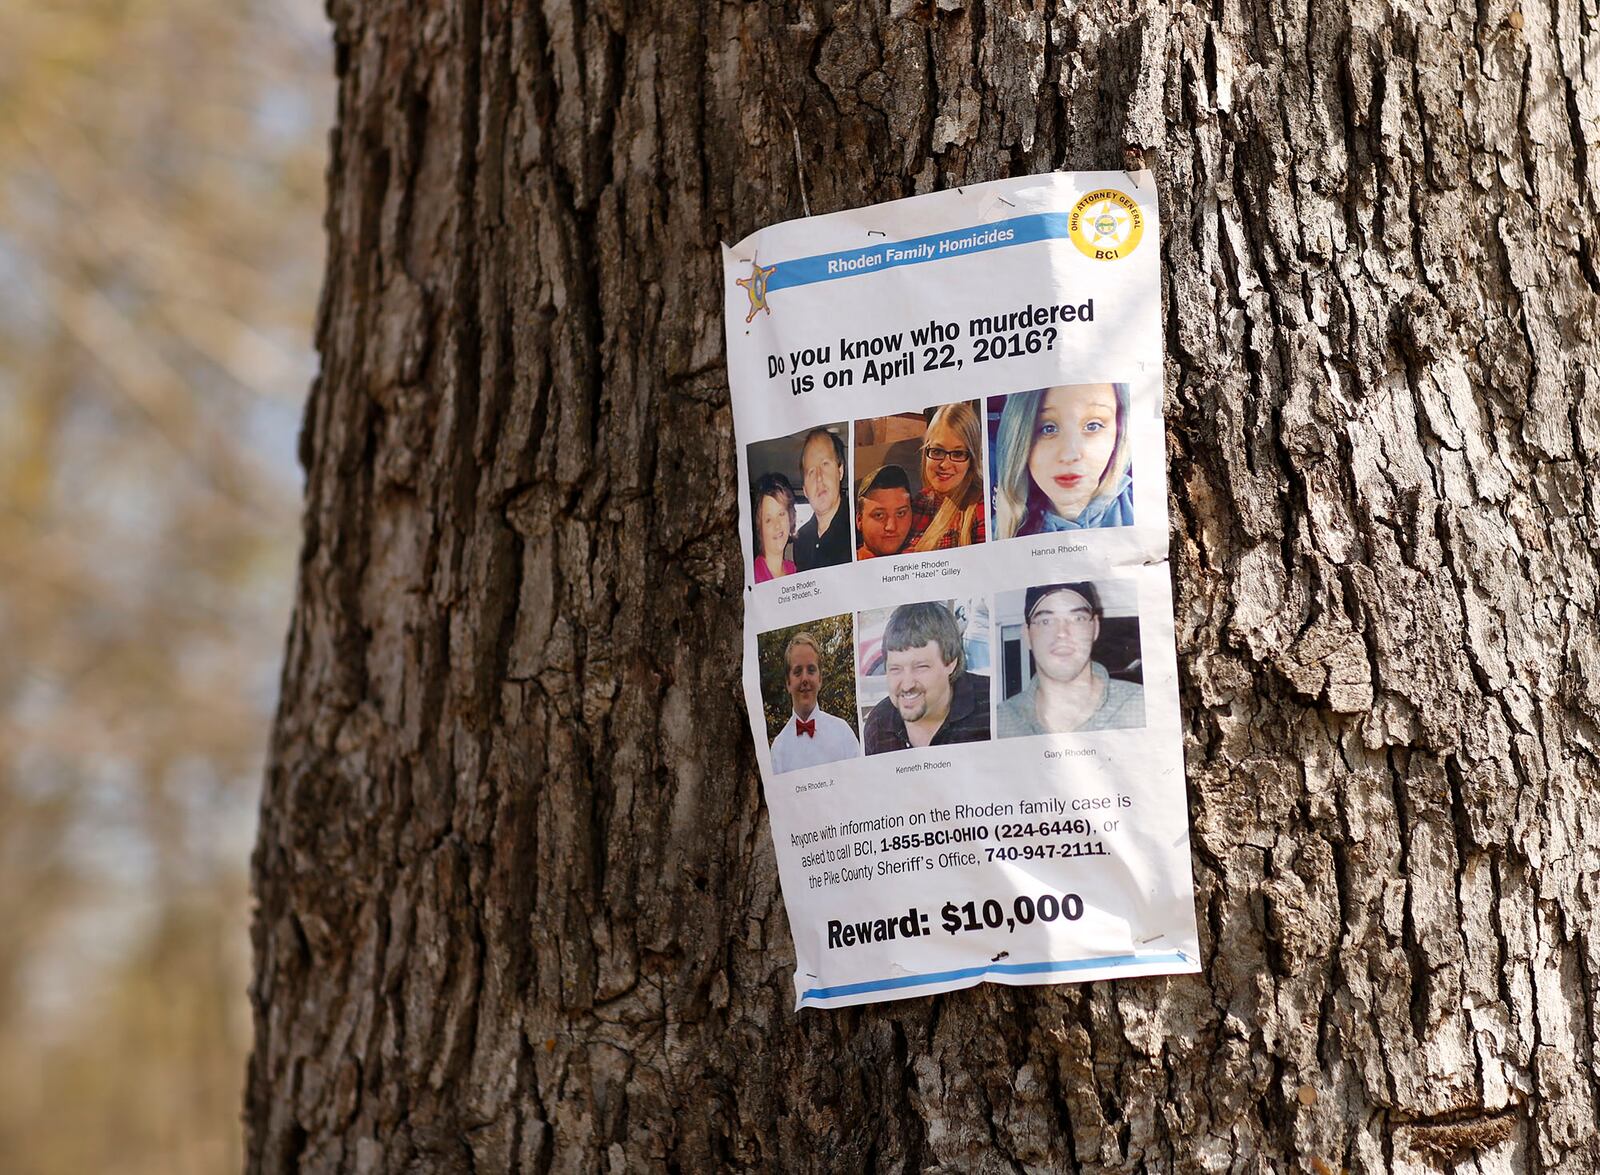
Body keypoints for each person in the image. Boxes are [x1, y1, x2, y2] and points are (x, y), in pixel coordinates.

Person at [997, 582, 1144, 737]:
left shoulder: (1141, 706)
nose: (1062, 633)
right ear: (1027, 636)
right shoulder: (1002, 721)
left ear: (1095, 628)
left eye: (1077, 618)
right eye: (1046, 621)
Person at [992, 384, 1133, 539]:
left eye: (1093, 426)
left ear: (1119, 433)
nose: (1069, 455)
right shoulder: (998, 530)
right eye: (1048, 428)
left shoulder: (1146, 507)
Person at [864, 601, 990, 754]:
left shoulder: (991, 708)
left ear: (950, 662)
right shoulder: (878, 724)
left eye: (921, 667)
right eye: (895, 669)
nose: (907, 685)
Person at [769, 632, 859, 773]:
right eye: (798, 671)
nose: (805, 678)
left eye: (811, 670)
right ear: (788, 682)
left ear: (820, 679)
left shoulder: (843, 734)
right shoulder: (778, 749)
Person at [906, 402, 986, 552]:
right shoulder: (920, 501)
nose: (944, 464)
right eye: (937, 451)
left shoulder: (982, 508)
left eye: (957, 454)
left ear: (972, 459)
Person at [792, 428, 853, 571]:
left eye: (825, 464)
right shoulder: (800, 540)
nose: (819, 478)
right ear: (805, 490)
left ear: (840, 471)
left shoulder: (860, 528)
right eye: (811, 472)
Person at [855, 464, 914, 559]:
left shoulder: (922, 557)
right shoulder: (845, 567)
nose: (891, 527)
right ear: (859, 520)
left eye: (900, 513)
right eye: (879, 515)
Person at [752, 472, 796, 583]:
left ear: (790, 517)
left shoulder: (794, 571)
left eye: (781, 514)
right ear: (760, 528)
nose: (777, 525)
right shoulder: (751, 578)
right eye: (768, 520)